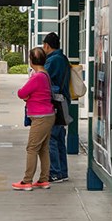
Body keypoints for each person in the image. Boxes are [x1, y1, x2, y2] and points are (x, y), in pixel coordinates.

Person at [13, 47, 54, 191]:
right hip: (48, 116)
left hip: (40, 117)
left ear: (31, 61)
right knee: (43, 149)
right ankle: (44, 179)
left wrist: (27, 96)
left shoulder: (37, 77)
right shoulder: (45, 74)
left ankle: (27, 181)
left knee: (32, 148)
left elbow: (21, 92)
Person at [43, 31, 71, 183]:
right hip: (63, 101)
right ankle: (62, 172)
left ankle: (54, 172)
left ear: (47, 45)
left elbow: (43, 79)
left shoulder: (53, 60)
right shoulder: (63, 58)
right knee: (59, 138)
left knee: (51, 138)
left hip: (55, 103)